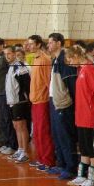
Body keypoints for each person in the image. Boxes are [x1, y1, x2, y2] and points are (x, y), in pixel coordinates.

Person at [66, 45, 94, 186]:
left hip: (89, 116)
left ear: (76, 55)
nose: (69, 62)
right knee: (83, 147)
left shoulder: (89, 69)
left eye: (70, 59)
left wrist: (90, 107)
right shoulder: (81, 69)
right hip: (81, 115)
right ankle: (82, 176)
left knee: (91, 147)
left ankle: (93, 179)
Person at [47, 32, 78, 180]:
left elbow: (71, 84)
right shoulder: (55, 59)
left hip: (64, 104)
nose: (48, 45)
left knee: (65, 136)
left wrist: (71, 105)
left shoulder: (65, 59)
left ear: (59, 43)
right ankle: (61, 163)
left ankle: (70, 167)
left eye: (50, 42)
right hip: (54, 101)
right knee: (57, 135)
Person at [27, 35, 55, 171]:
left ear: (38, 44)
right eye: (29, 44)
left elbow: (48, 82)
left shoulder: (44, 59)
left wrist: (50, 101)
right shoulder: (35, 59)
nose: (29, 46)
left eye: (32, 44)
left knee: (43, 132)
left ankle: (48, 161)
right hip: (35, 101)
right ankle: (40, 159)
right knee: (37, 133)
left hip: (42, 101)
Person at [4, 45, 32, 163]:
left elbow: (26, 83)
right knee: (16, 126)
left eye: (9, 53)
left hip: (20, 101)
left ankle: (25, 152)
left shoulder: (19, 66)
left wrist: (27, 98)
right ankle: (20, 149)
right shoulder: (10, 67)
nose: (7, 56)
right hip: (12, 101)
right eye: (5, 54)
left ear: (14, 54)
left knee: (22, 126)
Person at [0, 38, 17, 157]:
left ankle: (12, 145)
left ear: (2, 45)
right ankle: (6, 143)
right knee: (1, 119)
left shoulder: (5, 58)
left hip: (5, 93)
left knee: (7, 120)